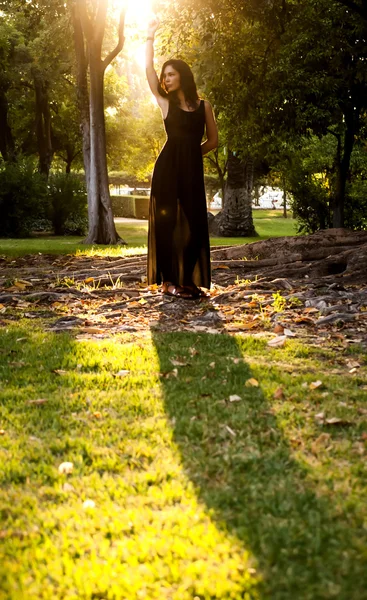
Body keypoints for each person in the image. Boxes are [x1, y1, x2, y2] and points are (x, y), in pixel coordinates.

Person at [145, 18, 218, 299]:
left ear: (183, 76)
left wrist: (190, 155)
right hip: (165, 170)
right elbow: (149, 74)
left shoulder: (204, 106)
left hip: (190, 171)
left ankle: (187, 279)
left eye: (171, 74)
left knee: (197, 225)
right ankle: (168, 282)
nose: (166, 79)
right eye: (165, 75)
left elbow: (213, 141)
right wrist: (149, 38)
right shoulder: (165, 104)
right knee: (165, 226)